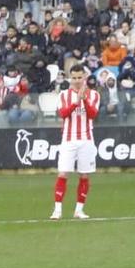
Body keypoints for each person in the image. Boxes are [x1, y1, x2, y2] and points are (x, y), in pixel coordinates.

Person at [51, 60, 100, 220]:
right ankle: (57, 210)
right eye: (74, 78)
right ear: (70, 78)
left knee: (84, 175)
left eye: (80, 77)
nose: (77, 81)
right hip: (68, 139)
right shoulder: (64, 95)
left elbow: (93, 115)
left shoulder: (94, 94)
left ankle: (79, 210)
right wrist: (76, 101)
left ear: (84, 77)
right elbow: (63, 114)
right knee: (63, 173)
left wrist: (84, 99)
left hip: (86, 139)